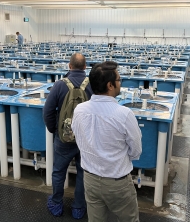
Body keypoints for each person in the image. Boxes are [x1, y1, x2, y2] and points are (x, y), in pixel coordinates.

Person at [72, 61, 142, 222]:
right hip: (117, 183)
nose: (120, 83)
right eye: (119, 80)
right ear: (110, 85)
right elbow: (136, 150)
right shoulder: (124, 114)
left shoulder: (80, 110)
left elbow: (79, 138)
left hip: (90, 179)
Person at [43, 53, 92, 219]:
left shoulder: (59, 85)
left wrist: (54, 130)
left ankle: (56, 204)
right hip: (86, 139)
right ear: (85, 67)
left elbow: (48, 111)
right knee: (83, 172)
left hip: (64, 137)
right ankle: (78, 208)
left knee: (58, 171)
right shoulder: (93, 85)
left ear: (69, 66)